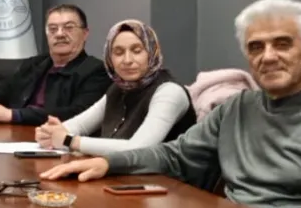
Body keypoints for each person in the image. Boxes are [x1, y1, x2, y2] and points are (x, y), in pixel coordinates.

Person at [42, 0, 301, 208]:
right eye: (256, 47)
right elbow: (175, 156)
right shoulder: (235, 109)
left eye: (282, 44)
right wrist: (109, 163)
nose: (268, 56)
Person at [34, 19, 195, 155]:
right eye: (118, 52)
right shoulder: (118, 88)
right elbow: (81, 124)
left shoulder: (169, 92)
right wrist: (50, 132)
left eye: (137, 51)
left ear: (152, 53)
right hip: (119, 174)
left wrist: (70, 140)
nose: (127, 60)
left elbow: (139, 149)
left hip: (166, 180)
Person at [0, 4, 109, 126]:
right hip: (16, 134)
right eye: (52, 29)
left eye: (69, 28)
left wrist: (14, 115)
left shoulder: (96, 71)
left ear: (85, 33)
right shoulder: (34, 64)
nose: (59, 34)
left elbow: (79, 114)